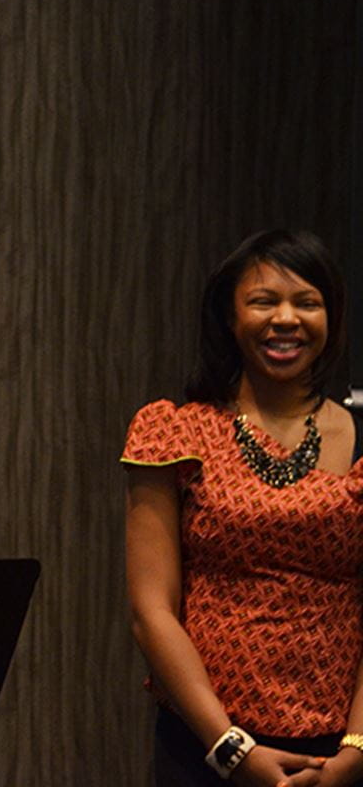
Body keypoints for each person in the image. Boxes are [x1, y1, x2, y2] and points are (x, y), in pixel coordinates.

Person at [124, 229, 363, 786]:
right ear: (230, 319)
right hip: (206, 747)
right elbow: (150, 610)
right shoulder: (174, 429)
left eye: (308, 303)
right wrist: (231, 748)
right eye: (263, 302)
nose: (287, 319)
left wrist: (355, 751)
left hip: (339, 751)